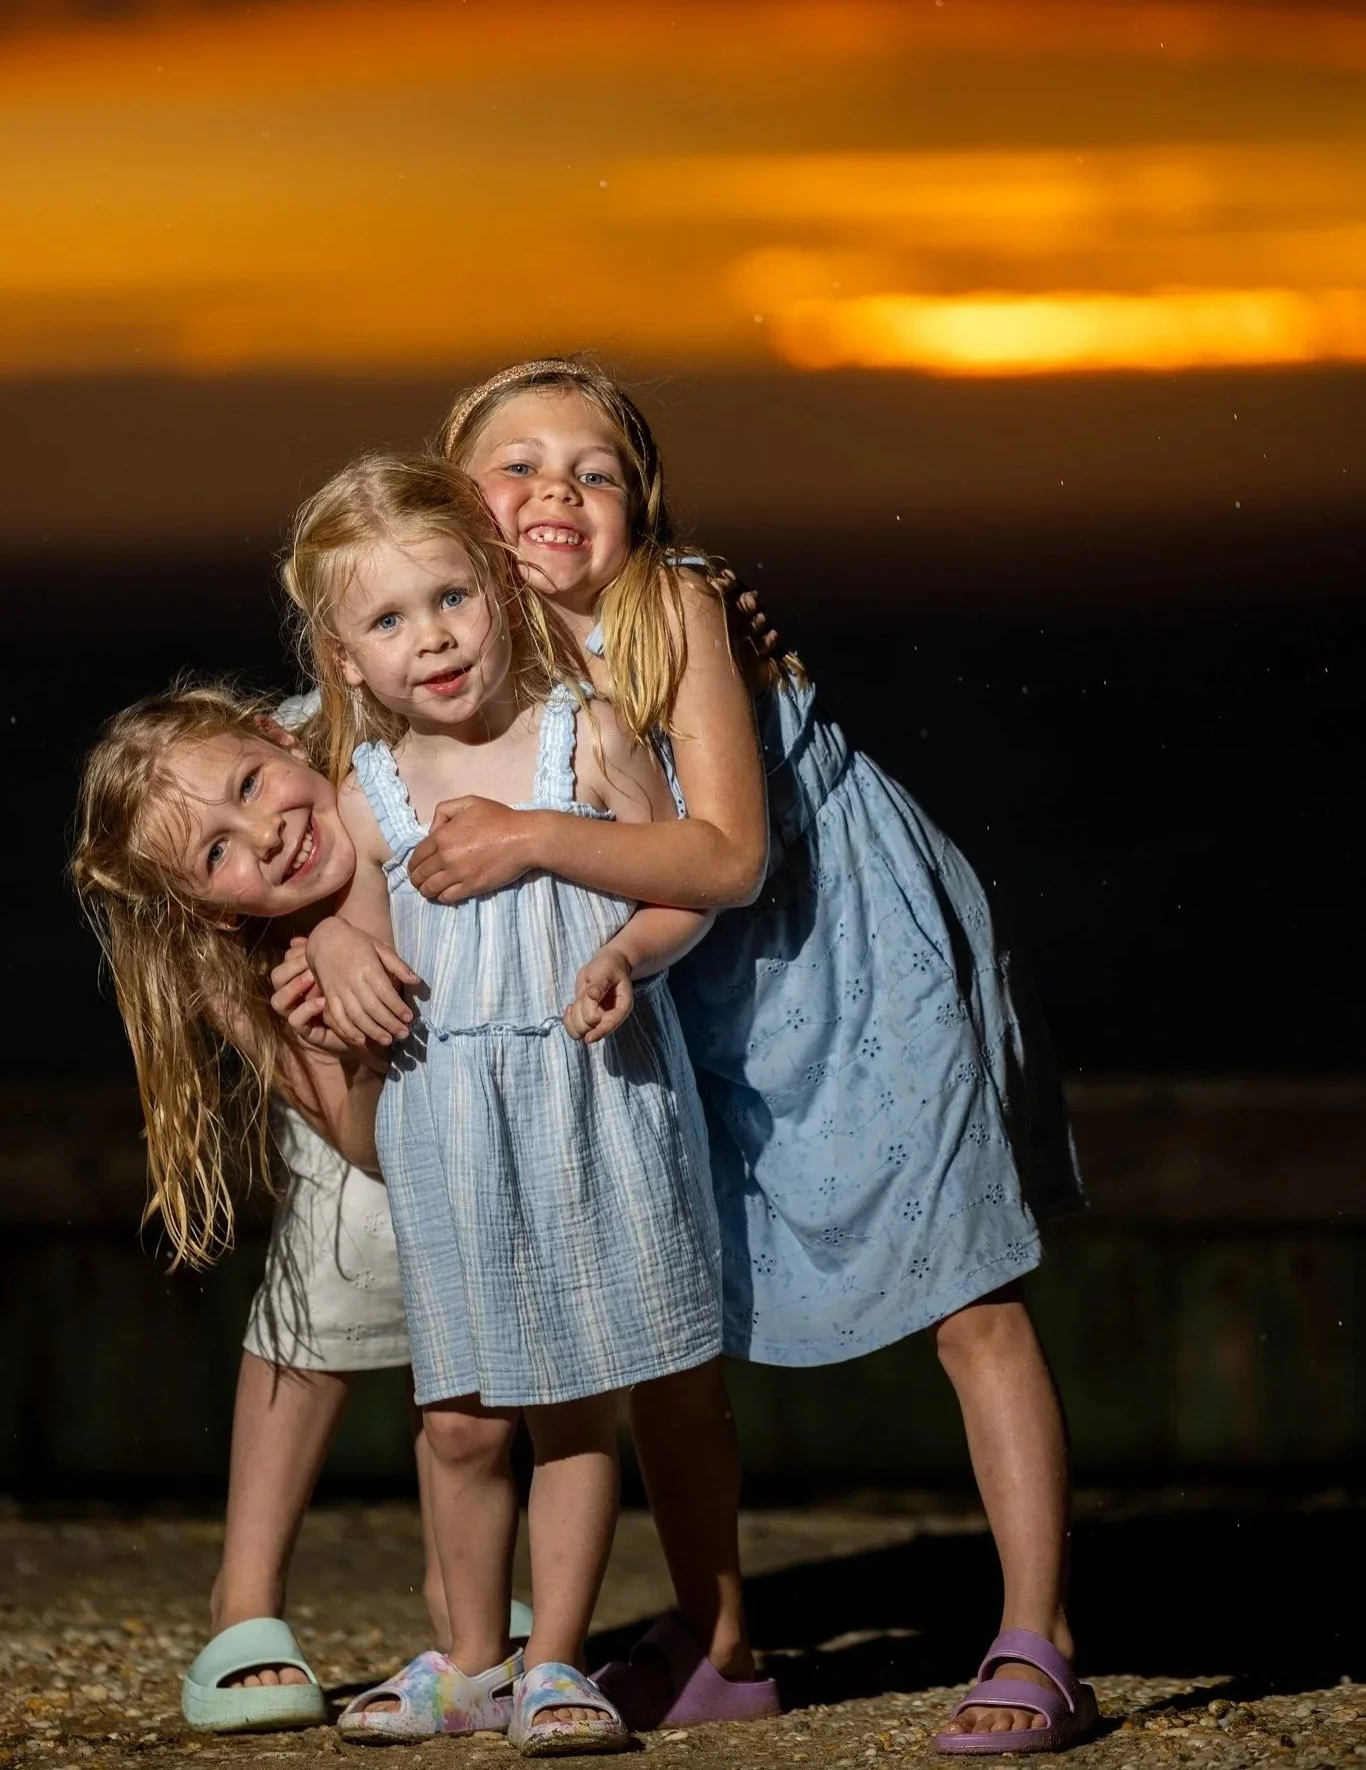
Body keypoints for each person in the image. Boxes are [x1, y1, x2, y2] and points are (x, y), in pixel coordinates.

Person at [406, 358, 1098, 1754]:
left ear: (642, 507)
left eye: (596, 470)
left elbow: (727, 851)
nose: (557, 490)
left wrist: (538, 842)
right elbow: (346, 731)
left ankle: (1040, 1632)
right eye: (518, 464)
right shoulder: (477, 640)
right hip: (683, 971)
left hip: (846, 946)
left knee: (963, 1282)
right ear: (453, 502)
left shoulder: (671, 602)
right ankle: (717, 1635)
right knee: (671, 1309)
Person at [280, 451, 725, 1754]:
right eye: (388, 619)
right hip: (448, 1129)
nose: (430, 637)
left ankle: (550, 1660)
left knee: (573, 1402)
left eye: (450, 600)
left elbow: (681, 879)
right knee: (460, 1419)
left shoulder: (579, 733)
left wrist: (624, 953)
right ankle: (464, 1655)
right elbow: (353, 936)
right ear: (346, 655)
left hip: (581, 1103)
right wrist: (336, 950)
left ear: (499, 595)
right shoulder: (365, 791)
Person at [70, 685, 530, 1735]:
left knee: (467, 1311)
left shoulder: (369, 728)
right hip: (362, 1123)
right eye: (220, 853)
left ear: (280, 734)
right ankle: (243, 1599)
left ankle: (457, 1579)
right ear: (214, 906)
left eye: (249, 785)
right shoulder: (231, 957)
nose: (264, 836)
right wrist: (351, 1031)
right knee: (335, 1269)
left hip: (486, 1059)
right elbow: (363, 1144)